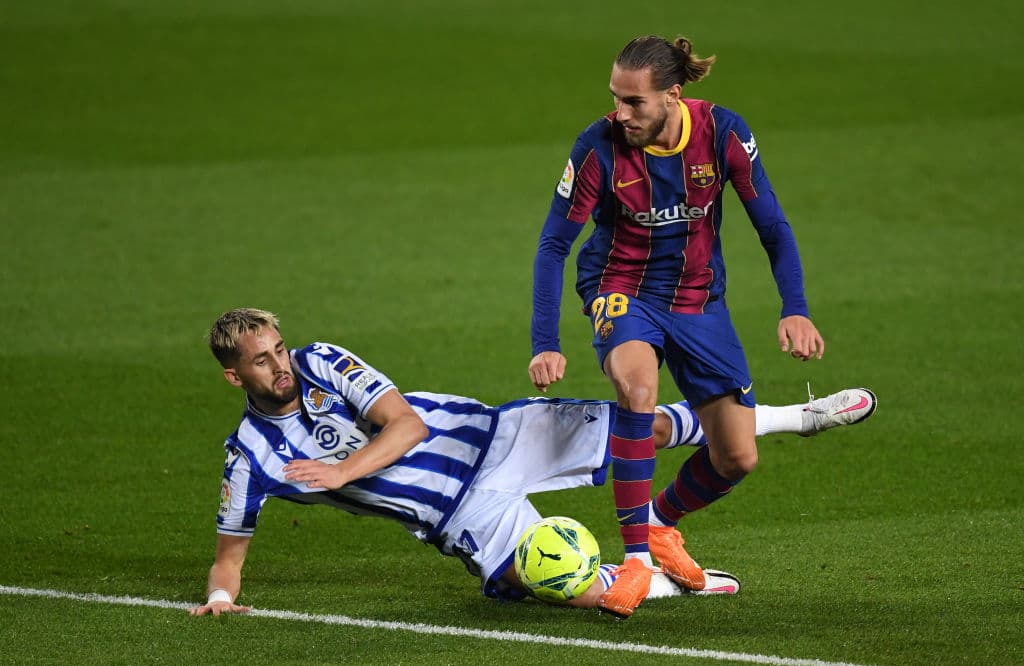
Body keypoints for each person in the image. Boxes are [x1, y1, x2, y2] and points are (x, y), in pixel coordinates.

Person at [189, 308, 875, 618]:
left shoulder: (322, 360)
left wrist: (341, 473)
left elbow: (406, 422)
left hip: (494, 436)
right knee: (573, 588)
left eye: (278, 347)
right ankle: (670, 582)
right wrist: (221, 597)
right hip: (462, 514)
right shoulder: (248, 456)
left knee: (648, 425)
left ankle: (799, 416)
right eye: (262, 358)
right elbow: (230, 552)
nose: (280, 363)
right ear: (234, 376)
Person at [528, 34, 841, 616]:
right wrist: (545, 343)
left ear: (672, 96)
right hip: (621, 287)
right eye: (615, 99)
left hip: (699, 299)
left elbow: (771, 224)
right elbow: (554, 246)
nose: (620, 115)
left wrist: (794, 306)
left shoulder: (724, 134)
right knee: (637, 389)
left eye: (634, 103)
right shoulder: (597, 147)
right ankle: (634, 562)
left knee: (737, 457)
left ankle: (660, 525)